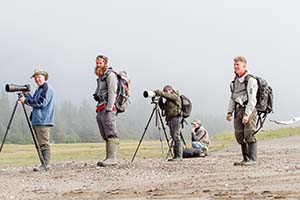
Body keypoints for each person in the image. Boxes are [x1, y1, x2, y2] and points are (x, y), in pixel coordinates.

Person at [19, 69, 55, 171]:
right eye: (35, 77)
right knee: (39, 143)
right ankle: (43, 164)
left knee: (43, 143)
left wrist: (25, 100)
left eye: (39, 77)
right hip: (37, 119)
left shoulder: (46, 88)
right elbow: (34, 101)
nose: (37, 79)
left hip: (43, 120)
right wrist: (26, 95)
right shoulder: (40, 89)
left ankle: (45, 164)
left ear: (44, 77)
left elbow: (40, 103)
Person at [226, 56, 258, 166]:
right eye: (234, 65)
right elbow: (233, 97)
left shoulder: (250, 80)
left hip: (248, 109)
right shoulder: (235, 81)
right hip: (237, 110)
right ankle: (245, 159)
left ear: (244, 66)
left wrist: (247, 114)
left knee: (249, 133)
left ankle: (252, 159)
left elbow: (252, 99)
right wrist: (229, 112)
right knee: (239, 135)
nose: (235, 67)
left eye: (237, 65)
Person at [93, 55, 119, 167]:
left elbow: (113, 92)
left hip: (108, 107)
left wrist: (109, 108)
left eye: (100, 63)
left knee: (110, 131)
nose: (98, 65)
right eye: (97, 63)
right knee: (104, 132)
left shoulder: (110, 75)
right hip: (100, 106)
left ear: (105, 63)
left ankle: (113, 158)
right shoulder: (100, 77)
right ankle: (108, 157)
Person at [154, 85, 183, 161]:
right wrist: (159, 100)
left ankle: (179, 156)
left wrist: (159, 92)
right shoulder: (169, 101)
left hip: (176, 118)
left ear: (170, 90)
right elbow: (163, 107)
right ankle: (176, 156)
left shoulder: (175, 96)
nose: (165, 93)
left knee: (176, 136)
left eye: (165, 91)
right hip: (171, 119)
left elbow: (167, 96)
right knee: (173, 137)